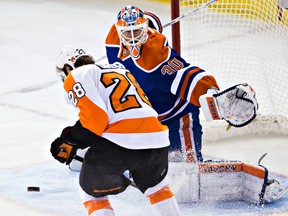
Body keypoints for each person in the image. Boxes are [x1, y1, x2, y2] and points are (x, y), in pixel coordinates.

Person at [50, 46, 180, 216]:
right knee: (157, 188)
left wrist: (70, 140)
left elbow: (96, 120)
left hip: (121, 143)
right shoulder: (118, 69)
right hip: (157, 140)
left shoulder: (77, 75)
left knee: (91, 194)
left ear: (68, 68)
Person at [105, 5, 221, 163]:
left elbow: (185, 74)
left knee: (190, 169)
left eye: (137, 31)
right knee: (152, 170)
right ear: (119, 31)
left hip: (178, 116)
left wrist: (210, 91)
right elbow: (150, 17)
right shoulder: (112, 40)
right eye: (127, 33)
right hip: (150, 121)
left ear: (145, 29)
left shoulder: (156, 54)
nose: (132, 38)